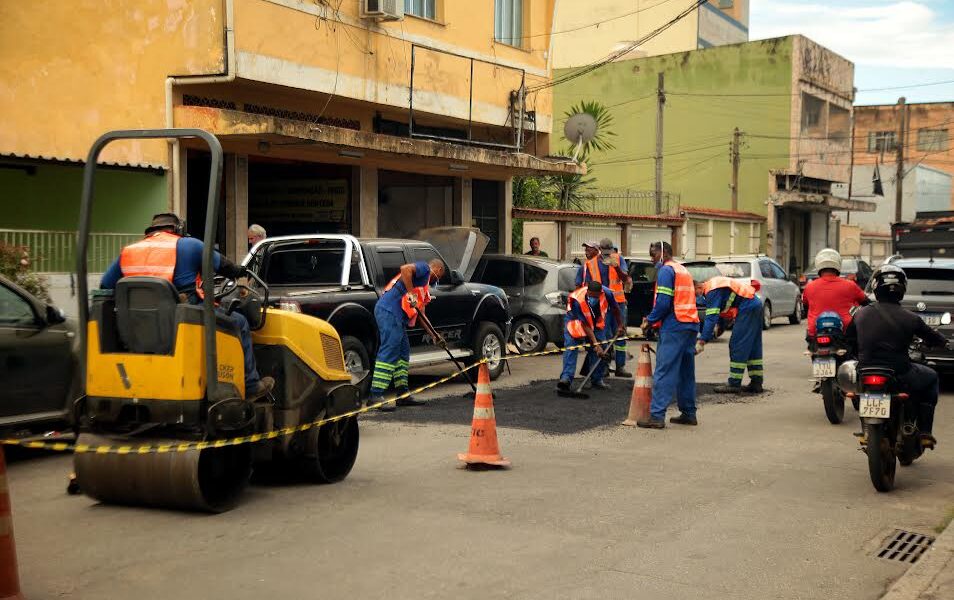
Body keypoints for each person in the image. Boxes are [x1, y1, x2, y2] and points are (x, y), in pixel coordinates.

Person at [100, 213, 274, 399]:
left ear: (151, 231)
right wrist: (241, 270)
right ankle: (250, 385)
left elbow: (105, 285)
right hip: (183, 318)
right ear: (178, 230)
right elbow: (226, 267)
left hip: (136, 329)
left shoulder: (129, 251)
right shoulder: (189, 245)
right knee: (239, 322)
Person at [846, 265, 948, 448]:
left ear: (876, 287)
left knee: (858, 388)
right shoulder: (910, 318)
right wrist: (943, 342)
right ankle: (924, 431)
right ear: (902, 289)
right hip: (899, 373)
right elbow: (933, 337)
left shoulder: (860, 314)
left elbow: (848, 341)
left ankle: (867, 428)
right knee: (931, 377)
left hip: (865, 372)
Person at [637, 241, 700, 429]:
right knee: (685, 372)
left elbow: (664, 302)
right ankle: (689, 413)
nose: (652, 259)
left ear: (663, 253)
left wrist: (649, 320)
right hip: (690, 324)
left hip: (675, 325)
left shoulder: (666, 271)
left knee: (664, 371)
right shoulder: (682, 269)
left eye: (654, 255)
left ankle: (656, 416)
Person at [370, 258, 446, 411]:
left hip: (397, 317)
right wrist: (411, 293)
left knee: (403, 354)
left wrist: (434, 335)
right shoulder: (425, 269)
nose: (435, 281)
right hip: (389, 311)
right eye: (439, 277)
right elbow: (405, 268)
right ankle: (375, 395)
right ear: (437, 271)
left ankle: (403, 395)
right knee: (389, 351)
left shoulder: (424, 289)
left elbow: (421, 315)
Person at [696, 276, 765, 394]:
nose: (697, 297)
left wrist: (702, 340)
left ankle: (734, 383)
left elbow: (711, 317)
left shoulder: (711, 290)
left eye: (695, 294)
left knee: (737, 344)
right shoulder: (714, 285)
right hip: (754, 304)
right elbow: (722, 309)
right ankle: (756, 382)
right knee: (753, 345)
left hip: (747, 307)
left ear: (698, 286)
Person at [578, 238, 633, 378]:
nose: (607, 255)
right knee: (604, 336)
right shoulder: (591, 264)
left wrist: (616, 267)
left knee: (619, 335)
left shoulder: (618, 259)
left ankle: (620, 366)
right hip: (602, 305)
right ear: (600, 250)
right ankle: (605, 367)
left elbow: (625, 278)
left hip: (618, 303)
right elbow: (588, 286)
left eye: (609, 252)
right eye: (605, 252)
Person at [557, 280, 625, 391]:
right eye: (591, 296)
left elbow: (615, 309)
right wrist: (595, 344)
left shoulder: (607, 293)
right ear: (587, 291)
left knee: (602, 348)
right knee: (571, 347)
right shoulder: (577, 299)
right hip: (576, 321)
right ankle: (566, 379)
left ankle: (597, 380)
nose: (593, 298)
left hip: (596, 323)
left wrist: (620, 325)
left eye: (596, 296)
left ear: (600, 293)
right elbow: (585, 324)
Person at [803, 248, 868, 345]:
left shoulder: (809, 287)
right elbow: (866, 302)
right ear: (838, 265)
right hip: (846, 333)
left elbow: (806, 307)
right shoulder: (850, 285)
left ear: (818, 265)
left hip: (815, 334)